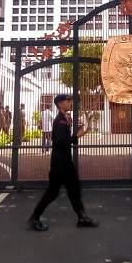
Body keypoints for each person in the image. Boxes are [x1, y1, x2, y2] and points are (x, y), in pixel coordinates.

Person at [28, 94, 99, 231]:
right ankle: (35, 217)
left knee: (74, 189)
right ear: (60, 105)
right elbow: (61, 141)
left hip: (65, 162)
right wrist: (76, 136)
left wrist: (76, 136)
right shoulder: (60, 120)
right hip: (59, 163)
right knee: (53, 192)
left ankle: (82, 217)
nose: (69, 103)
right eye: (67, 102)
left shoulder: (64, 119)